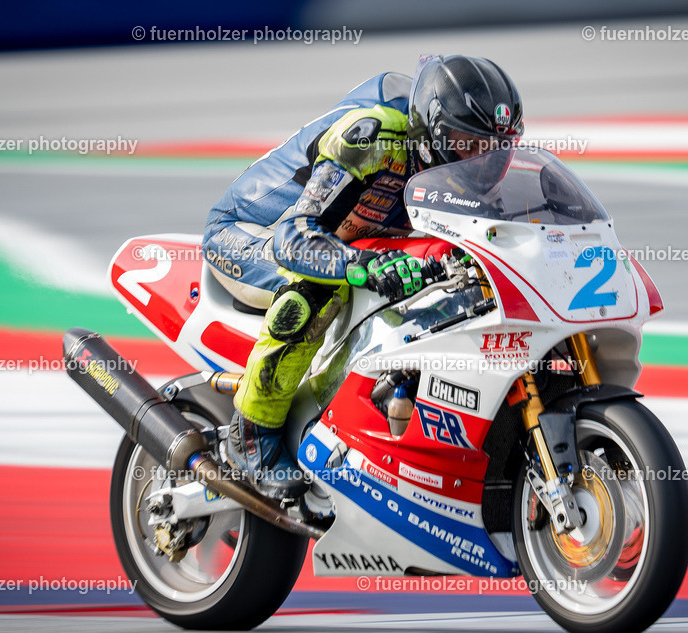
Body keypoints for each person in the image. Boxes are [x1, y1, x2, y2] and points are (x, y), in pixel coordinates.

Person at [202, 54, 524, 499]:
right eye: (469, 145)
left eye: (496, 149)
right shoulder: (374, 135)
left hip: (344, 237)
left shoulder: (459, 171)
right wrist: (362, 266)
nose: (483, 164)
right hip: (250, 232)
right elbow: (293, 240)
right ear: (433, 128)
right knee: (322, 285)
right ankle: (250, 437)